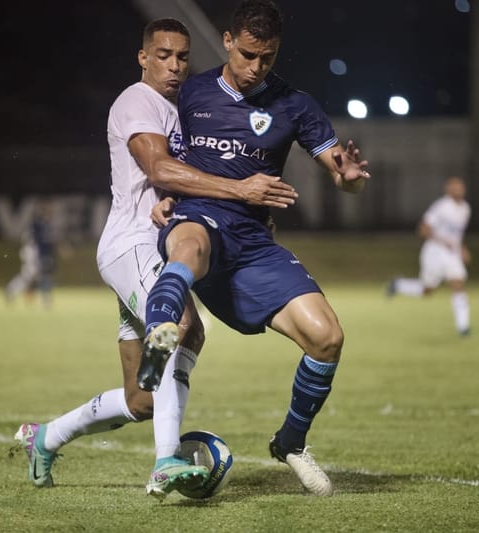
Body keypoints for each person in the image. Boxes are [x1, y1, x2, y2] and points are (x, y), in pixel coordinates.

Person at [11, 17, 299, 500]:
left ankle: (45, 438)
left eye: (182, 57)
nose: (174, 66)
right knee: (183, 323)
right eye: (163, 56)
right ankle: (167, 460)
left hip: (149, 248)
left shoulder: (183, 107)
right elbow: (160, 166)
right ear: (143, 57)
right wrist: (240, 188)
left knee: (140, 399)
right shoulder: (137, 101)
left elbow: (183, 177)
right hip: (133, 245)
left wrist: (234, 209)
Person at [137, 0, 370, 497]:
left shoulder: (296, 105)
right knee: (190, 246)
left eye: (267, 57)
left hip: (254, 243)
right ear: (226, 42)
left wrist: (349, 179)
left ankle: (291, 442)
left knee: (327, 337)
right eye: (246, 55)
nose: (255, 67)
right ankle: (159, 330)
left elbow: (340, 175)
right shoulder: (191, 92)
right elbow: (162, 158)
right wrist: (162, 198)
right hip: (198, 218)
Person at [386, 176, 472, 336]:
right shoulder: (441, 207)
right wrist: (442, 241)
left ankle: (464, 327)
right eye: (455, 187)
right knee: (427, 290)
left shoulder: (466, 208)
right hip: (434, 252)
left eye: (461, 186)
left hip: (452, 254)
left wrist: (462, 248)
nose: (459, 189)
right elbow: (423, 229)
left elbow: (457, 235)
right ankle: (398, 285)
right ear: (448, 190)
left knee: (458, 283)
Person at [4, 205, 57, 308]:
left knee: (37, 276)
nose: (49, 215)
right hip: (32, 252)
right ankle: (11, 290)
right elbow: (35, 242)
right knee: (29, 276)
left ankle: (44, 300)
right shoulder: (37, 225)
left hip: (34, 253)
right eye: (47, 212)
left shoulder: (43, 225)